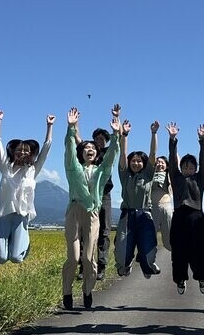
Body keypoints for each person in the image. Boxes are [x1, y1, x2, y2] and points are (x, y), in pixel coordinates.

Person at [62, 107, 121, 310]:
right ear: (82, 153)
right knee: (73, 257)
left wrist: (115, 135)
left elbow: (112, 156)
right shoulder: (73, 168)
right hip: (74, 211)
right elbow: (70, 149)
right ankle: (67, 293)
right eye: (86, 148)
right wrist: (71, 128)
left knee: (88, 258)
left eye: (93, 149)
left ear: (97, 155)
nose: (90, 150)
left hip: (92, 214)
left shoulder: (101, 172)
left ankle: (87, 290)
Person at [0, 110, 54, 266]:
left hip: (22, 215)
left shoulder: (33, 170)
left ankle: (23, 245)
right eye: (19, 149)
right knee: (0, 258)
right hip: (4, 214)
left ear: (31, 153)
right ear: (13, 151)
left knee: (17, 257)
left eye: (26, 150)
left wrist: (49, 126)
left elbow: (46, 149)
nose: (22, 152)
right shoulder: (6, 167)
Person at [74, 104, 120, 281]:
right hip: (86, 196)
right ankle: (83, 266)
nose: (99, 141)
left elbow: (117, 142)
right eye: (96, 139)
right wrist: (75, 123)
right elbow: (78, 139)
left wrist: (117, 118)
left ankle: (101, 266)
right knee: (85, 230)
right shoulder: (87, 153)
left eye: (102, 139)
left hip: (105, 196)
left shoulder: (108, 153)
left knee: (104, 232)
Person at [114, 119, 161, 278]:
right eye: (133, 161)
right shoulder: (125, 175)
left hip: (144, 214)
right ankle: (125, 265)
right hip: (127, 215)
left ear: (144, 163)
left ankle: (147, 265)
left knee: (148, 250)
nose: (136, 163)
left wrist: (154, 133)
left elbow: (153, 154)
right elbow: (122, 154)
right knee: (122, 252)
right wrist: (124, 135)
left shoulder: (148, 175)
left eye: (139, 161)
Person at [167, 122, 204, 295]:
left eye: (192, 167)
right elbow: (171, 161)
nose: (188, 169)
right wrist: (172, 139)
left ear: (196, 169)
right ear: (181, 168)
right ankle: (180, 278)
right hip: (179, 216)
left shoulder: (200, 179)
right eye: (185, 166)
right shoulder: (176, 178)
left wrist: (202, 140)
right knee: (178, 251)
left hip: (196, 217)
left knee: (198, 250)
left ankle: (202, 277)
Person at [150, 156, 173, 252]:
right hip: (152, 207)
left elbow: (175, 162)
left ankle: (176, 255)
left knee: (169, 236)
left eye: (162, 162)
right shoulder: (150, 175)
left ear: (167, 165)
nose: (159, 164)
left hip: (166, 206)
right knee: (150, 236)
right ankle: (150, 260)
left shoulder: (169, 175)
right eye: (157, 162)